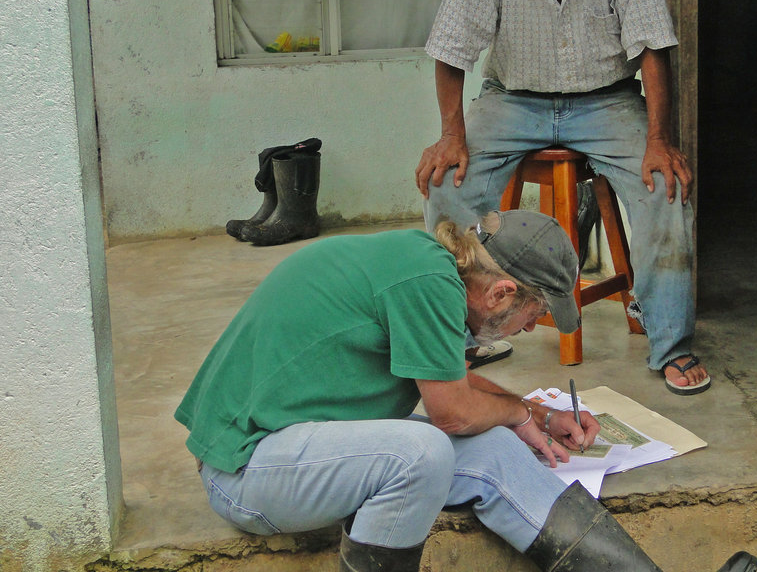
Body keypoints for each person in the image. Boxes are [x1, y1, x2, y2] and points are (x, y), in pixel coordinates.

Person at [175, 210, 698, 571]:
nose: (526, 332)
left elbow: (450, 380)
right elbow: (449, 411)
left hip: (304, 450)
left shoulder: (430, 268)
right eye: (531, 319)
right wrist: (517, 410)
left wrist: (531, 417)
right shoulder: (427, 285)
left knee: (495, 445)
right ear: (502, 292)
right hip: (246, 470)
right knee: (419, 452)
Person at [415, 0, 710, 396]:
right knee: (445, 186)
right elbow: (451, 47)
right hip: (513, 100)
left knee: (666, 186)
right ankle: (460, 338)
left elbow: (652, 48)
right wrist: (452, 134)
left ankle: (671, 343)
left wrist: (659, 141)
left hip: (607, 100)